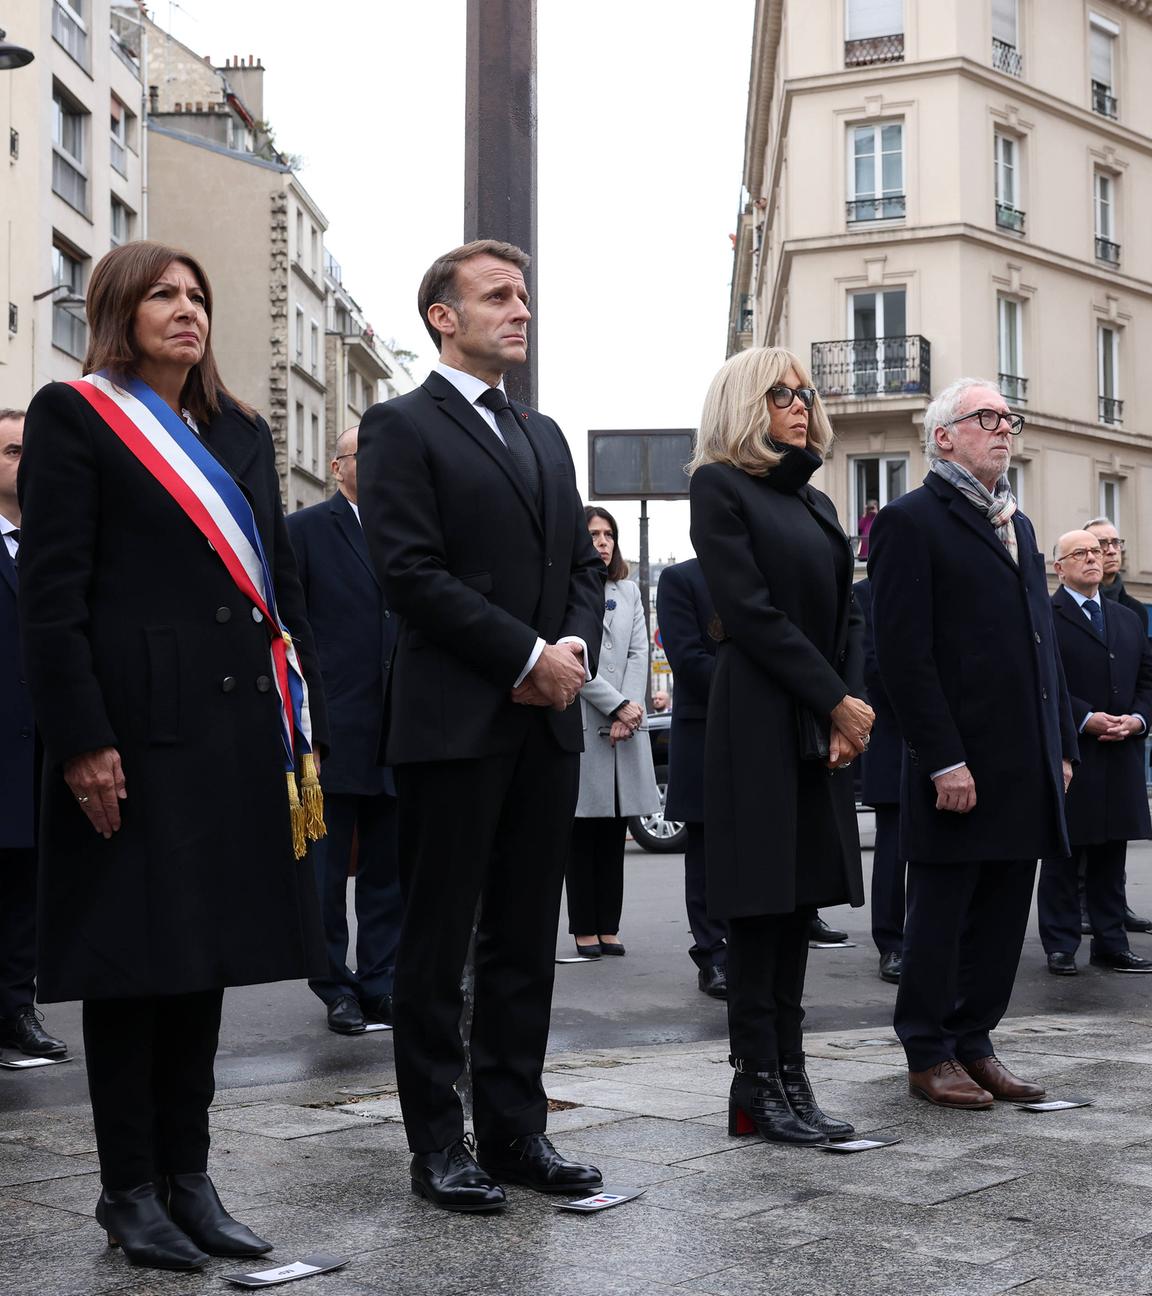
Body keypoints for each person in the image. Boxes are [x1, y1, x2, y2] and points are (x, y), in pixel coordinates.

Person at [18, 241, 328, 1272]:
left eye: (198, 294)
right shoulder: (77, 416)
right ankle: (130, 1192)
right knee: (134, 966)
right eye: (163, 294)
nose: (186, 310)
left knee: (207, 962)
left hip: (235, 728)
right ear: (119, 308)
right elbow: (55, 595)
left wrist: (297, 710)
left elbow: (275, 581)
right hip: (133, 734)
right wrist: (83, 738)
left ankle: (191, 1180)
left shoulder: (240, 428)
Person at [357, 240, 605, 1212]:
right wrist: (524, 657)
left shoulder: (545, 436)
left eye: (526, 297)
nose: (521, 311)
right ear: (441, 317)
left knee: (518, 942)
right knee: (436, 945)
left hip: (544, 725)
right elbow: (409, 574)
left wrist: (572, 654)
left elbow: (585, 568)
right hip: (456, 724)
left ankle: (515, 1131)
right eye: (498, 296)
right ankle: (439, 1146)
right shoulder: (400, 426)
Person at [869, 376, 1076, 1111]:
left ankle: (976, 1041)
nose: (1004, 427)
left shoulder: (1016, 525)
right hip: (957, 763)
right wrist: (942, 757)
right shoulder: (909, 520)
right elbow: (902, 655)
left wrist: (1062, 746)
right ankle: (928, 1051)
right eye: (986, 417)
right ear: (944, 436)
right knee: (943, 911)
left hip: (1025, 761)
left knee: (999, 914)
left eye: (1008, 417)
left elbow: (1040, 642)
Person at [689, 347, 872, 1145]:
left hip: (818, 715)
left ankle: (792, 1078)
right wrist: (835, 699)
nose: (800, 403)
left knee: (797, 906)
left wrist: (843, 706)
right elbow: (752, 612)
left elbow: (847, 616)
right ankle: (755, 1085)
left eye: (804, 392)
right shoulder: (718, 486)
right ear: (743, 403)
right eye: (781, 393)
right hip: (760, 714)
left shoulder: (819, 503)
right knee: (760, 907)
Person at [287, 426, 403, 1035]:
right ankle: (334, 985)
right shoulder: (306, 531)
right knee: (327, 873)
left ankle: (381, 981)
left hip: (401, 729)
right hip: (332, 730)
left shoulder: (411, 530)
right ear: (337, 466)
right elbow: (291, 628)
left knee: (389, 871)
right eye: (367, 454)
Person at [1039, 530, 1152, 975]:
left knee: (1111, 853)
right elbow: (1047, 683)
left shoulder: (1125, 618)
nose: (1093, 558)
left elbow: (1147, 679)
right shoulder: (1046, 616)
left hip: (1121, 749)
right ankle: (1061, 942)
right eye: (1080, 553)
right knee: (1064, 852)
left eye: (1098, 551)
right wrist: (1086, 718)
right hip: (1074, 748)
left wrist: (1138, 720)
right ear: (1059, 567)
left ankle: (1111, 940)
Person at [0, 409, 68, 1061]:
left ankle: (18, 1009)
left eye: (31, 453)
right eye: (12, 451)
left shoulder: (54, 548)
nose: (24, 464)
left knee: (25, 888)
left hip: (37, 750)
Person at [566, 506, 660, 958]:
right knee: (583, 834)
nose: (602, 542)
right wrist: (616, 703)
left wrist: (631, 706)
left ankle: (609, 926)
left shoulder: (627, 591)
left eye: (608, 534)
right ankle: (584, 927)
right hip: (584, 723)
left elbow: (640, 650)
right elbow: (573, 663)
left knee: (614, 834)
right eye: (593, 534)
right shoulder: (568, 590)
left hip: (627, 725)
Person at [657, 557, 728, 997]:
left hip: (761, 731)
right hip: (705, 728)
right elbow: (686, 657)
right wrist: (752, 687)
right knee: (705, 851)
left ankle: (750, 952)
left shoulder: (759, 570)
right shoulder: (680, 578)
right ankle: (713, 956)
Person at [1084, 515, 1152, 936]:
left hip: (1123, 734)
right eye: (1099, 544)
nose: (1109, 550)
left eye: (1114, 542)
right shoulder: (1064, 607)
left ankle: (1113, 906)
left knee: (1117, 834)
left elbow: (1145, 672)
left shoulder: (1132, 611)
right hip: (1085, 733)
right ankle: (1079, 910)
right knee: (1081, 836)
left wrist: (1136, 718)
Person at [853, 576, 905, 984]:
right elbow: (867, 665)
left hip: (946, 734)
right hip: (893, 735)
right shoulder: (865, 593)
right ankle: (892, 943)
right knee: (894, 846)